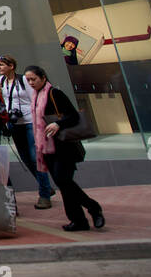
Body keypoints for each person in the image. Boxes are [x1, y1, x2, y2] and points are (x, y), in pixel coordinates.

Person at [26, 66, 104, 232]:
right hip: (46, 147)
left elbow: (73, 116)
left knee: (64, 181)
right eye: (28, 80)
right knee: (64, 184)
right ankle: (79, 219)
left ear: (43, 77)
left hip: (63, 146)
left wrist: (58, 123)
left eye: (33, 79)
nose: (31, 83)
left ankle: (92, 208)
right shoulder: (35, 96)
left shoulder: (54, 94)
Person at [0, 54, 53, 210]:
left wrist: (37, 120)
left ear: (11, 66)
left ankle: (44, 194)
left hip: (30, 122)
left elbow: (34, 99)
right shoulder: (2, 81)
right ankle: (46, 186)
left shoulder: (23, 81)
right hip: (15, 124)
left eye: (2, 64)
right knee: (25, 158)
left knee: (35, 157)